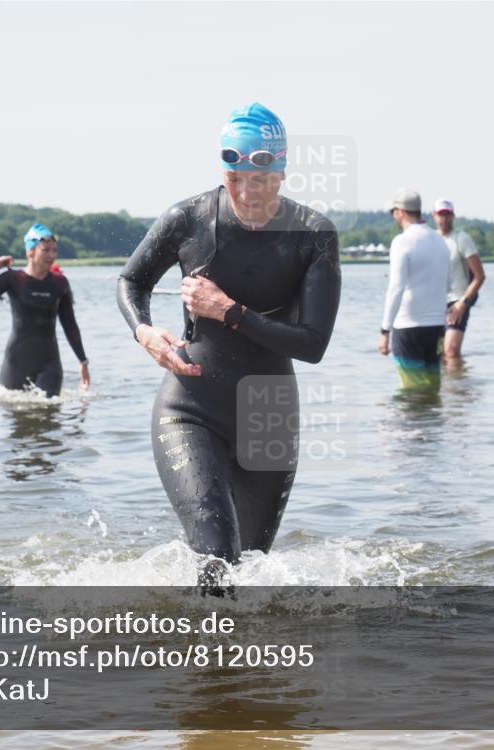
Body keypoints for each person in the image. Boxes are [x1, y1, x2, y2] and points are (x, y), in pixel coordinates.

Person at [117, 102, 341, 587]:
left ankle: (238, 665)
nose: (244, 191)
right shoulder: (189, 218)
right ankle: (204, 654)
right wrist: (144, 331)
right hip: (191, 406)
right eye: (233, 176)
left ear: (280, 171)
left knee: (253, 569)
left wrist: (230, 311)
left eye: (258, 179)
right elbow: (131, 281)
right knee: (217, 557)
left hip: (269, 414)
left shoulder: (313, 235)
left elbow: (313, 344)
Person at [0, 223, 90, 397]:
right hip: (17, 362)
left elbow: (70, 325)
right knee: (15, 412)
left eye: (54, 250)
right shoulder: (13, 279)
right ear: (30, 252)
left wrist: (83, 361)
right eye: (46, 250)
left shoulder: (60, 283)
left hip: (49, 363)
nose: (52, 256)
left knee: (49, 412)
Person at [378, 189, 450, 389]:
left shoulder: (402, 241)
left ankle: (415, 421)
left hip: (408, 326)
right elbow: (448, 283)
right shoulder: (440, 241)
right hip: (437, 327)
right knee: (432, 387)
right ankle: (432, 420)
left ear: (400, 211)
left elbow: (396, 287)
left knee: (412, 390)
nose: (393, 215)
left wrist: (385, 330)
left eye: (393, 211)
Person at [433, 199, 486, 360]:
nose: (444, 218)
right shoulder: (430, 239)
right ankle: (443, 384)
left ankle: (458, 384)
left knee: (451, 351)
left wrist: (463, 303)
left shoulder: (461, 238)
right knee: (438, 353)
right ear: (434, 216)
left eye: (447, 214)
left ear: (453, 216)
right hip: (434, 302)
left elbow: (479, 276)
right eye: (440, 214)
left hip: (457, 300)